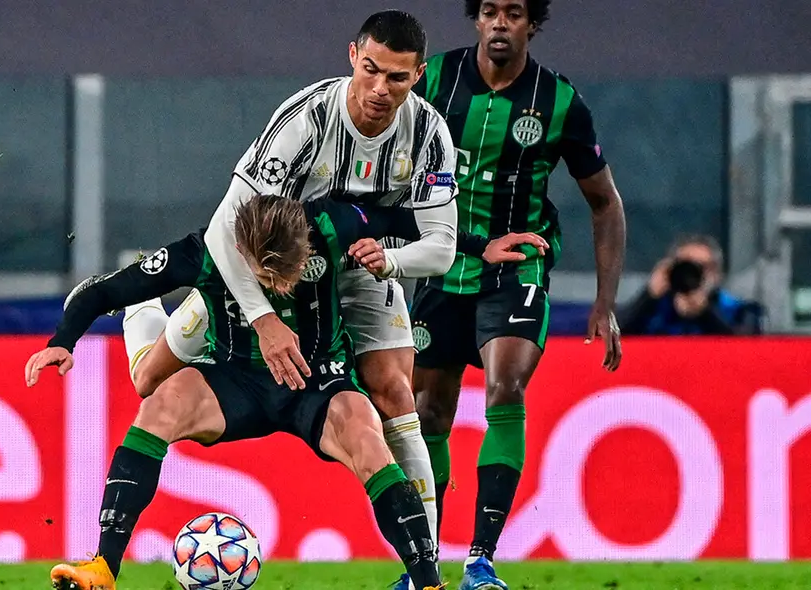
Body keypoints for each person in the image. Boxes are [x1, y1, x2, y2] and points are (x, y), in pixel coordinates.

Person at [114, 10, 458, 560]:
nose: (379, 88)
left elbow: (441, 247)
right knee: (149, 382)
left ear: (417, 76)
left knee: (393, 392)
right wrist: (265, 321)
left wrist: (389, 264)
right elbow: (227, 226)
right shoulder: (305, 121)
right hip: (272, 271)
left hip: (365, 269)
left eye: (397, 77)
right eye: (370, 69)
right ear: (353, 56)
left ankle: (426, 566)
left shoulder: (430, 133)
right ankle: (142, 312)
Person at [27, 195, 445, 590]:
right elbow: (105, 290)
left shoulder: (332, 223)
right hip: (236, 378)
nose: (281, 287)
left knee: (368, 440)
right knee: (155, 401)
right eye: (267, 277)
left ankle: (428, 581)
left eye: (292, 272)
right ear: (242, 254)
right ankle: (103, 567)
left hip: (318, 381)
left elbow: (418, 222)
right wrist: (62, 341)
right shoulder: (207, 249)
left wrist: (482, 245)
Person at [408, 1, 627, 589]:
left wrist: (605, 302)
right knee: (427, 412)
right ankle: (424, 566)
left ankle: (480, 560)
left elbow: (605, 203)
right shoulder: (433, 80)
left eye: (513, 12)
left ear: (533, 23)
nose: (500, 22)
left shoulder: (559, 102)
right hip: (441, 265)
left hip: (518, 271)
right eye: (488, 11)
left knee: (505, 387)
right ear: (476, 21)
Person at [619, 234, 761, 335]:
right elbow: (613, 335)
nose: (692, 275)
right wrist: (648, 296)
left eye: (702, 267)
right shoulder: (654, 310)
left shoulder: (738, 311)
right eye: (686, 265)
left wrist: (705, 312)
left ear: (717, 274)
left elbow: (744, 346)